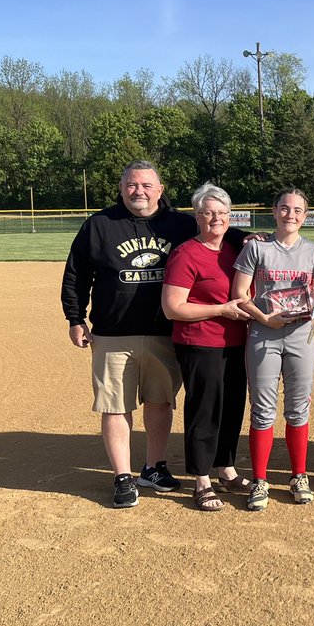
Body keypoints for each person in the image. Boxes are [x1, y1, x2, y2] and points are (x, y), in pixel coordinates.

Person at [61, 161, 201, 508]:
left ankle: (153, 467)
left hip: (164, 333)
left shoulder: (182, 224)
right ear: (121, 188)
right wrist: (75, 318)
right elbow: (76, 274)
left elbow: (217, 238)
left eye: (146, 185)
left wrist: (252, 238)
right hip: (112, 333)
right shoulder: (99, 225)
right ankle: (122, 477)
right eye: (131, 185)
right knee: (114, 405)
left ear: (160, 189)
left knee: (160, 401)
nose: (138, 191)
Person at [231, 189, 314, 511]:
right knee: (262, 409)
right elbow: (239, 294)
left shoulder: (313, 252)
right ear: (274, 211)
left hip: (301, 336)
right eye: (284, 208)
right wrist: (264, 318)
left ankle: (299, 475)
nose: (291, 215)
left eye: (298, 210)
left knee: (298, 408)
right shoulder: (257, 248)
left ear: (305, 215)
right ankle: (260, 480)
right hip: (263, 335)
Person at [161, 184, 252, 511]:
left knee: (231, 407)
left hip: (235, 341)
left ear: (230, 217)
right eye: (208, 213)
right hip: (199, 342)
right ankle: (201, 479)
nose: (216, 218)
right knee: (205, 409)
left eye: (222, 213)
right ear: (197, 216)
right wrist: (220, 310)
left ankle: (225, 469)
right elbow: (173, 308)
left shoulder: (234, 249)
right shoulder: (186, 253)